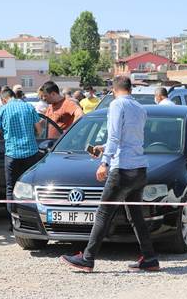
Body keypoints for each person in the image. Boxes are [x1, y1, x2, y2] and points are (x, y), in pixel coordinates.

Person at [60, 76, 159, 273]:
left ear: (113, 89)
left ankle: (87, 259)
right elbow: (129, 139)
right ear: (130, 89)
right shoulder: (140, 108)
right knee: (136, 216)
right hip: (139, 168)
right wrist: (103, 148)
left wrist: (104, 162)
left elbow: (115, 136)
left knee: (104, 213)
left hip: (122, 168)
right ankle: (150, 258)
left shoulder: (116, 105)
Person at [0, 87, 42, 229]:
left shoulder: (2, 110)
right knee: (31, 189)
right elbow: (39, 129)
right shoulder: (28, 107)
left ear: (3, 99)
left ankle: (14, 223)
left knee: (10, 188)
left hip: (12, 155)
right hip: (31, 154)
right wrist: (32, 137)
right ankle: (32, 223)